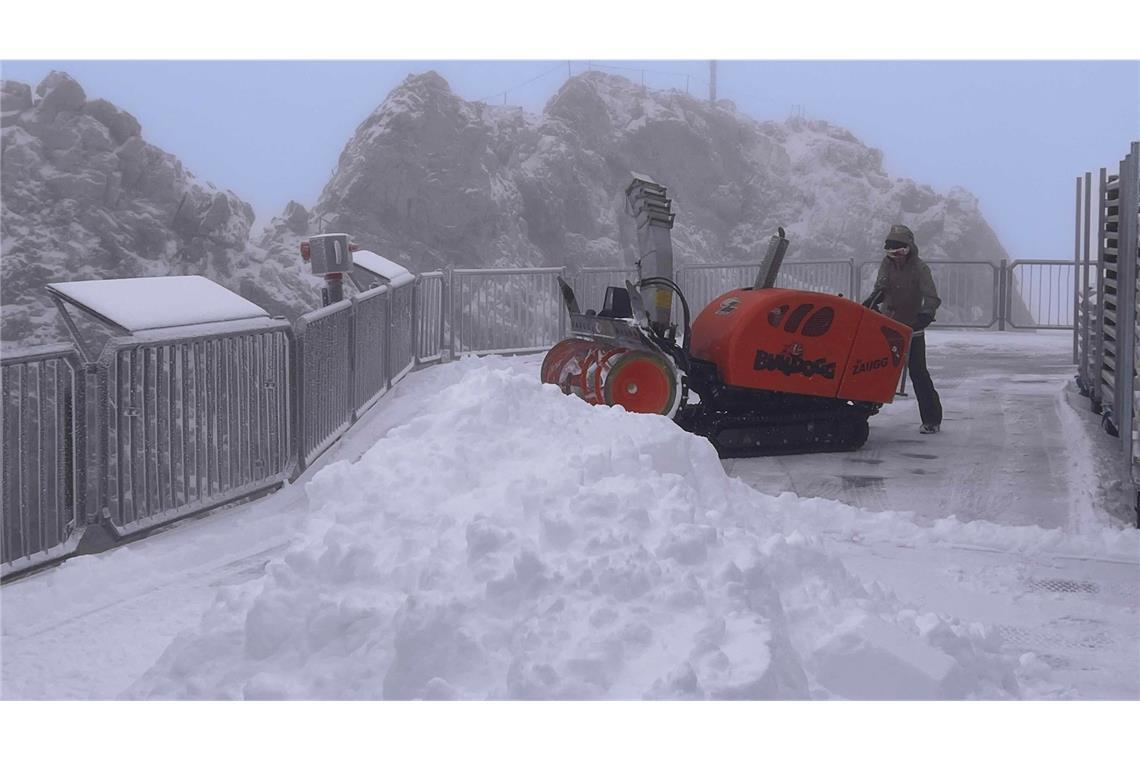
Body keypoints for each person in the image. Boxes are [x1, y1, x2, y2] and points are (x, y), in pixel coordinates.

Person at [862, 224, 944, 434]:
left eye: (899, 252)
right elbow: (881, 286)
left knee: (918, 372)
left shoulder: (919, 268)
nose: (895, 256)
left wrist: (926, 314)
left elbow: (931, 296)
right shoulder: (887, 264)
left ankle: (932, 418)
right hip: (889, 324)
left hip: (912, 325)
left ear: (909, 249)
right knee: (874, 368)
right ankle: (860, 411)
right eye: (891, 253)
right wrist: (874, 298)